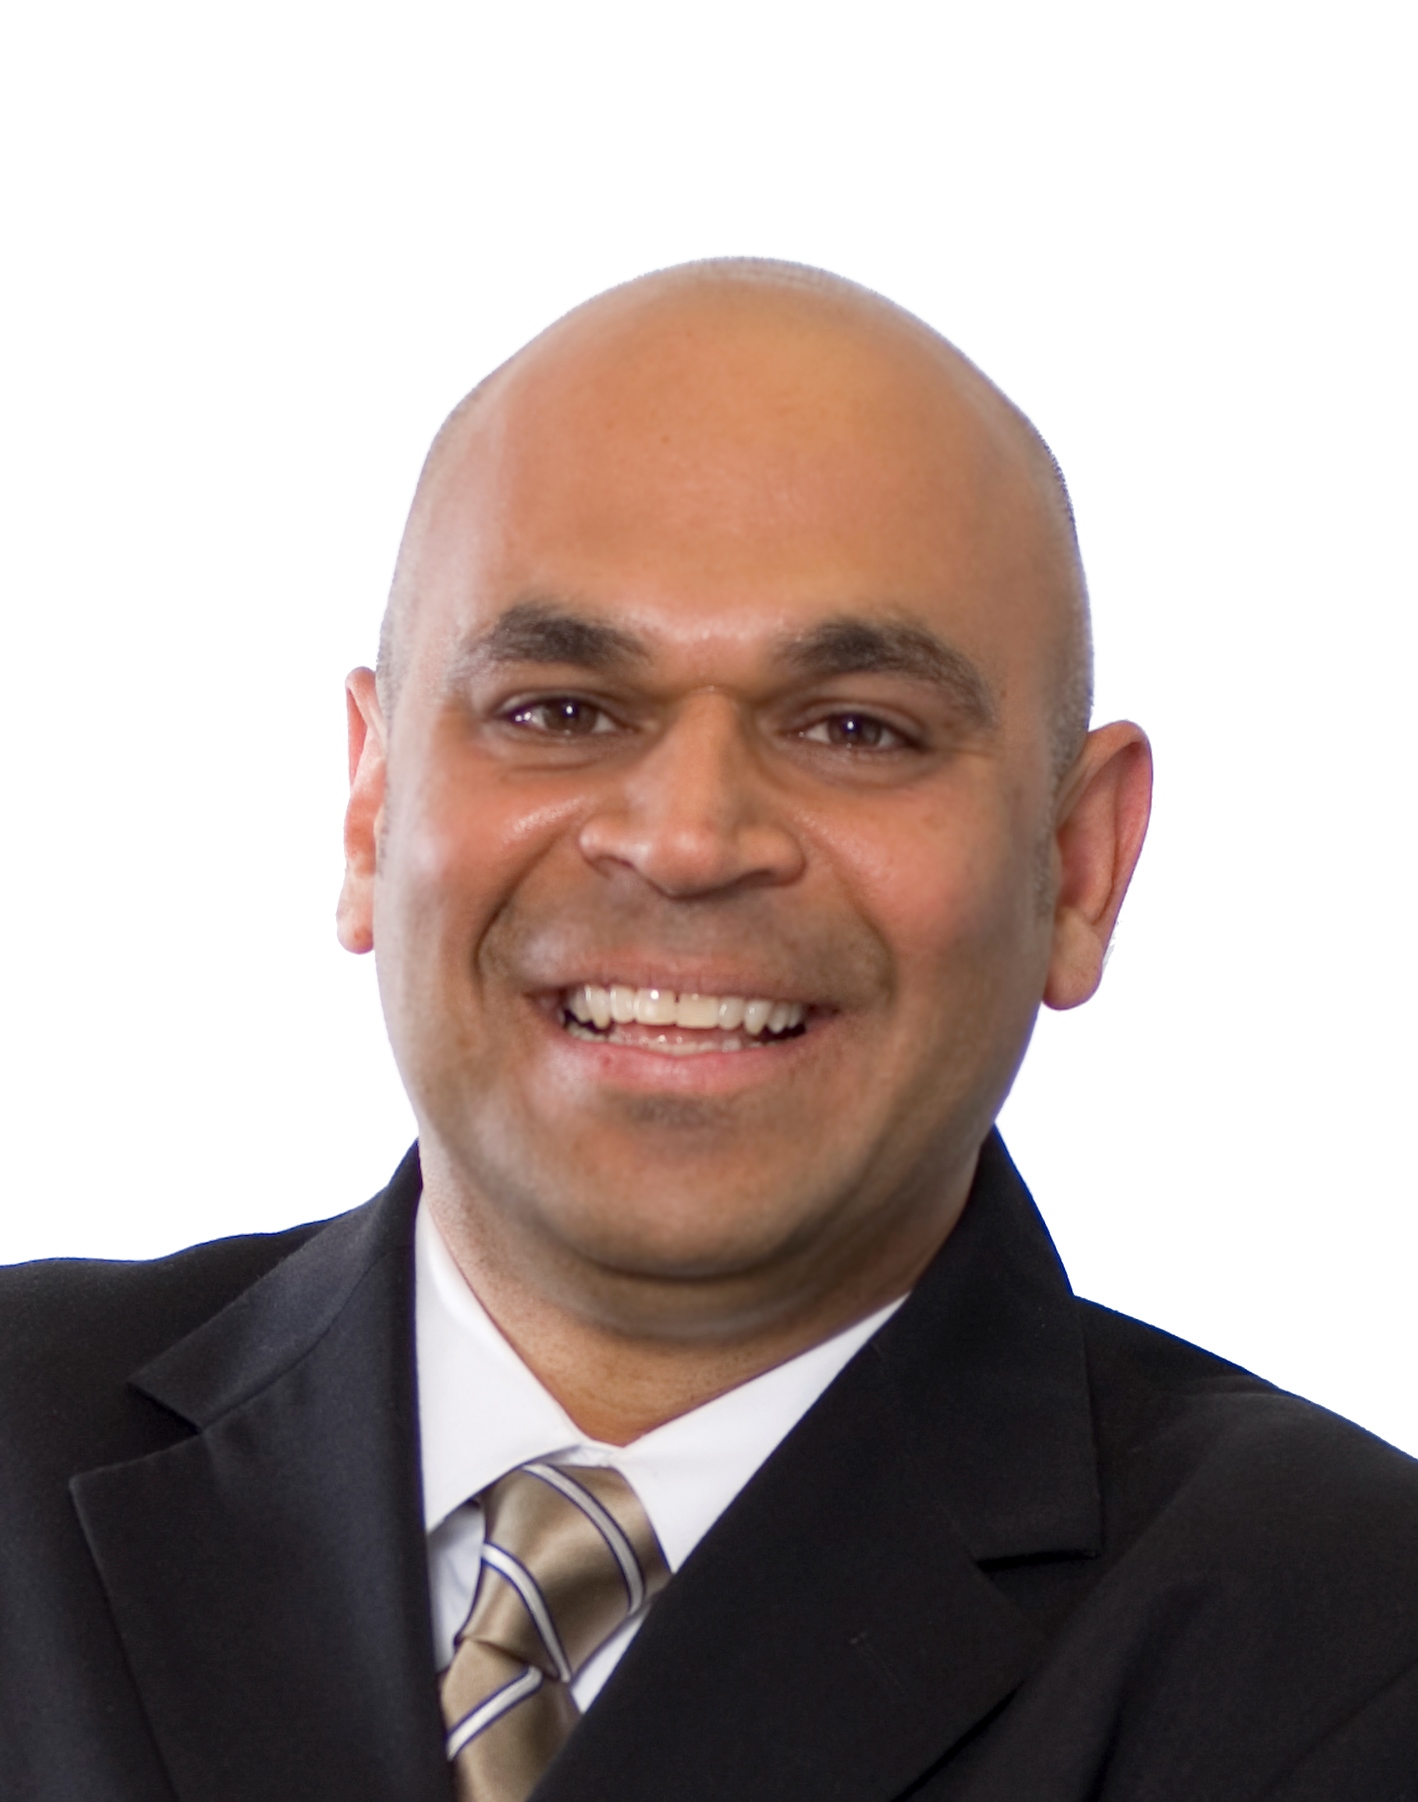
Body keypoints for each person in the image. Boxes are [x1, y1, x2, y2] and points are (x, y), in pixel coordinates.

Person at [3, 260, 1415, 1802]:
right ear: (370, 804)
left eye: (855, 727)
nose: (685, 839)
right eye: (558, 710)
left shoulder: (1351, 1644)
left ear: (1077, 865)